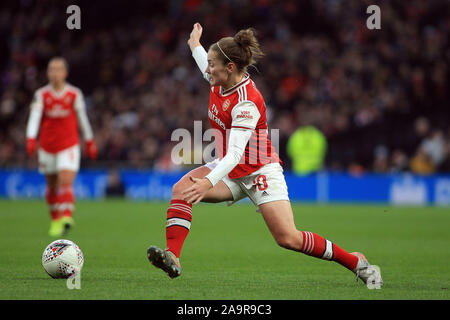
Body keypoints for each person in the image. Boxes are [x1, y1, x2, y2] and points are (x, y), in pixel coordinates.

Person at [147, 23, 382, 287]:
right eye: (209, 64)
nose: (207, 70)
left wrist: (208, 181)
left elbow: (236, 153)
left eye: (213, 65)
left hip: (260, 170)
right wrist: (194, 44)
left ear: (230, 68)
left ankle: (356, 263)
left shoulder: (246, 101)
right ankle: (173, 257)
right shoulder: (218, 79)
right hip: (230, 169)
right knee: (181, 189)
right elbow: (204, 61)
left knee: (288, 238)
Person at [26, 57, 97, 237]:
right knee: (51, 186)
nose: (54, 73)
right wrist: (30, 139)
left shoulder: (74, 94)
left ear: (65, 73)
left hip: (69, 145)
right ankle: (55, 219)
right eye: (51, 69)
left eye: (58, 69)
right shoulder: (41, 94)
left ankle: (66, 215)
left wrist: (89, 140)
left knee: (65, 180)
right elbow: (34, 118)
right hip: (47, 147)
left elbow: (82, 118)